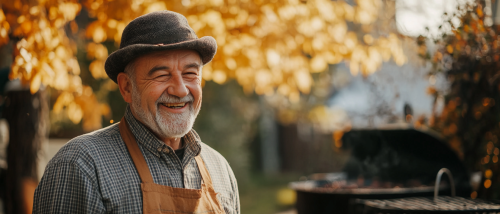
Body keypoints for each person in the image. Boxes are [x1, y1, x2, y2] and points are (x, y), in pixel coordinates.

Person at [33, 11, 239, 214]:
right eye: (162, 75)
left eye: (190, 74)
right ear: (127, 88)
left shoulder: (219, 169)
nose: (180, 90)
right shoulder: (81, 164)